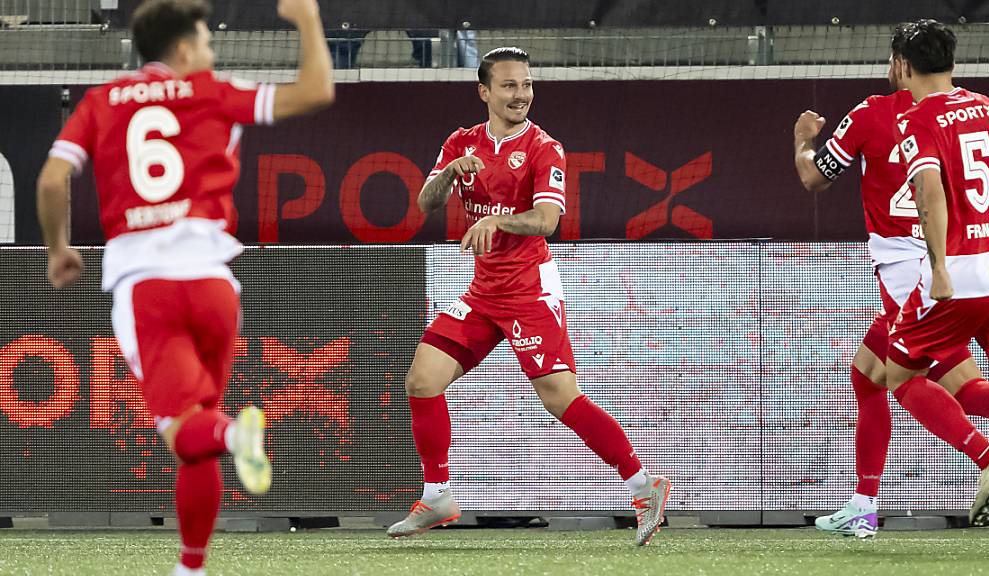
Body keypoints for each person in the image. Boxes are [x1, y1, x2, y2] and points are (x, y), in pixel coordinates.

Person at [36, 0, 334, 573]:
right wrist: (307, 19)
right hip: (214, 284)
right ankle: (190, 566)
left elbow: (52, 180)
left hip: (147, 287)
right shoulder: (212, 92)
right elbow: (317, 91)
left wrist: (58, 249)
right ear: (182, 50)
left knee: (187, 432)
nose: (211, 54)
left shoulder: (101, 101)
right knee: (199, 432)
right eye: (206, 43)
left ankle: (235, 435)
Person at [386, 47, 670, 546]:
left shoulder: (544, 147)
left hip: (529, 290)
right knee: (422, 380)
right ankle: (437, 497)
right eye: (510, 85)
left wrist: (497, 221)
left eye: (527, 84)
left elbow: (547, 220)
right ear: (484, 92)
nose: (521, 95)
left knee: (559, 397)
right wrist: (450, 173)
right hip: (484, 291)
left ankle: (645, 487)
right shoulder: (461, 142)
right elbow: (426, 202)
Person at [793, 39, 989, 536]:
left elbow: (814, 177)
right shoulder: (977, 111)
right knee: (870, 375)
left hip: (918, 274)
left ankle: (986, 458)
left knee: (932, 383)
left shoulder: (873, 114)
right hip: (976, 259)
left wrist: (802, 140)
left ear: (900, 64)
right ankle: (863, 505)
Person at [883, 18, 989, 527]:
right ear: (953, 62)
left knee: (897, 374)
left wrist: (940, 266)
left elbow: (929, 191)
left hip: (959, 276)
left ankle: (988, 458)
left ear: (902, 65)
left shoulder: (917, 120)